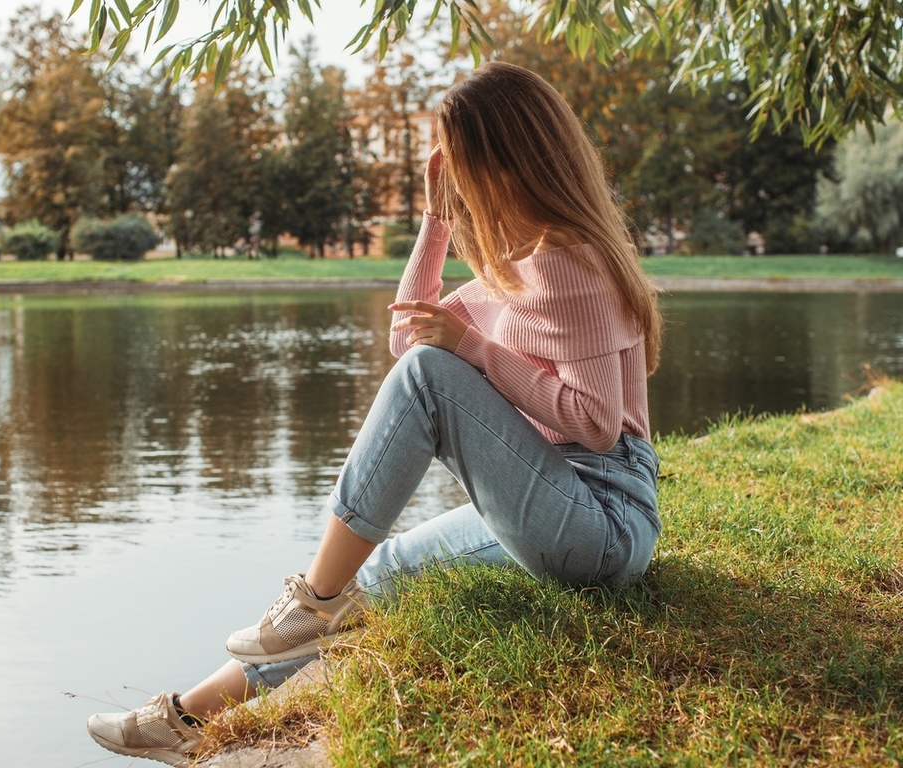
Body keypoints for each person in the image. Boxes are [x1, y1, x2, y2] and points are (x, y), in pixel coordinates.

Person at [87, 60, 664, 767]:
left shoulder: (569, 263)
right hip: (561, 500)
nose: (458, 181)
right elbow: (405, 338)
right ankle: (187, 721)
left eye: (463, 165)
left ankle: (313, 596)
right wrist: (433, 224)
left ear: (504, 161)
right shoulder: (518, 266)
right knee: (381, 574)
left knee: (431, 376)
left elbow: (597, 424)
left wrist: (478, 349)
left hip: (603, 516)